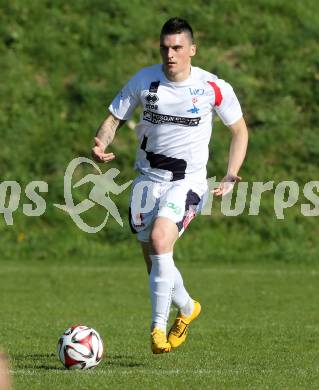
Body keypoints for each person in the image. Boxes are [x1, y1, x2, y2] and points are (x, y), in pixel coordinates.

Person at [92, 17, 248, 354]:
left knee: (162, 240)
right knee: (155, 258)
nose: (170, 54)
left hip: (187, 182)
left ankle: (157, 329)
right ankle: (188, 307)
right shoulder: (144, 80)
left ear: (192, 49)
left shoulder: (211, 87)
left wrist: (231, 172)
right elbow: (115, 117)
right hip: (147, 181)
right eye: (165, 48)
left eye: (177, 47)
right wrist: (101, 143)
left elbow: (239, 130)